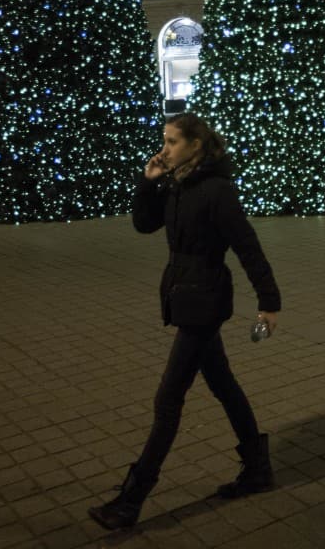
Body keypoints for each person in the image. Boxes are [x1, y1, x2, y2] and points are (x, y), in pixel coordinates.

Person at [88, 112, 281, 531]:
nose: (164, 148)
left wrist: (269, 302)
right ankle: (257, 468)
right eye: (164, 140)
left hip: (204, 301)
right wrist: (148, 179)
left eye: (173, 142)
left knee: (168, 399)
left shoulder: (216, 191)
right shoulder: (176, 184)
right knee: (223, 384)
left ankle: (131, 500)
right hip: (182, 294)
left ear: (196, 145)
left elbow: (248, 246)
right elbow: (144, 224)